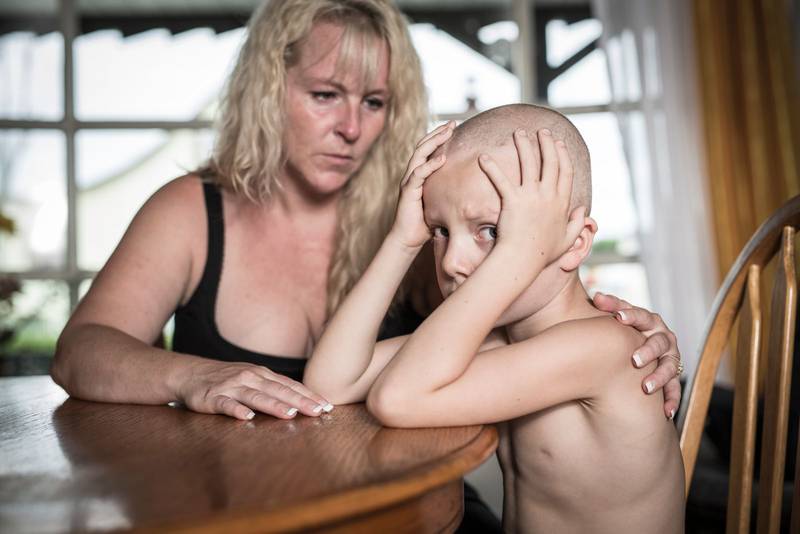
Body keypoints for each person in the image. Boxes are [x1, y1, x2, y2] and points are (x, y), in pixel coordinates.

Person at [50, 0, 682, 530]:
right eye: (325, 94)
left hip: (412, 511)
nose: (351, 127)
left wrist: (638, 328)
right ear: (266, 90)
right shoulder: (203, 211)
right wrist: (192, 377)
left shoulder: (438, 218)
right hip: (242, 509)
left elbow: (533, 303)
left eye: (374, 101)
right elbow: (82, 350)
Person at [304, 103, 686, 532]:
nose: (451, 261)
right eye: (440, 231)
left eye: (491, 231)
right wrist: (403, 240)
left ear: (574, 244)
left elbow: (396, 399)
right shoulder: (502, 340)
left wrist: (517, 252)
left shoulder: (602, 347)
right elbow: (332, 382)